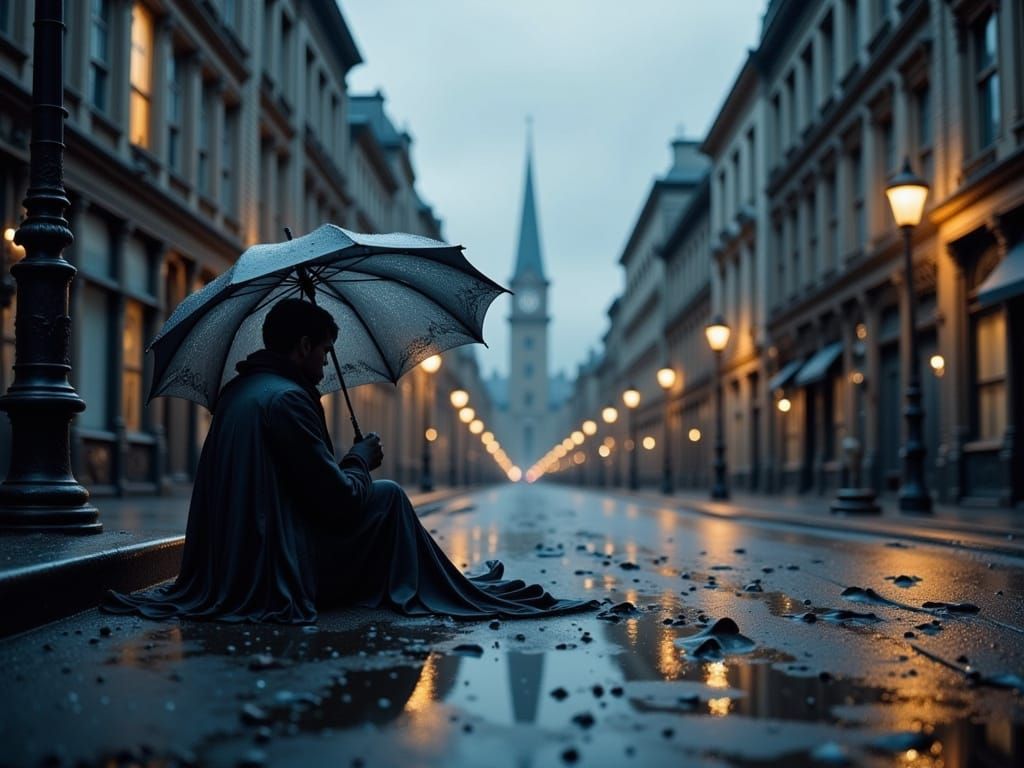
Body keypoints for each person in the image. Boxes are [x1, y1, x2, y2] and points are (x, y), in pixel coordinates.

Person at [104, 298, 594, 623]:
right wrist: (359, 460)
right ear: (302, 348)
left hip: (233, 557)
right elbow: (338, 504)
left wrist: (345, 464)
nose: (324, 364)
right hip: (272, 567)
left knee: (381, 499)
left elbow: (296, 485)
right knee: (389, 498)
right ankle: (426, 586)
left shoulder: (240, 392)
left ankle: (427, 581)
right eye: (323, 351)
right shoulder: (289, 401)